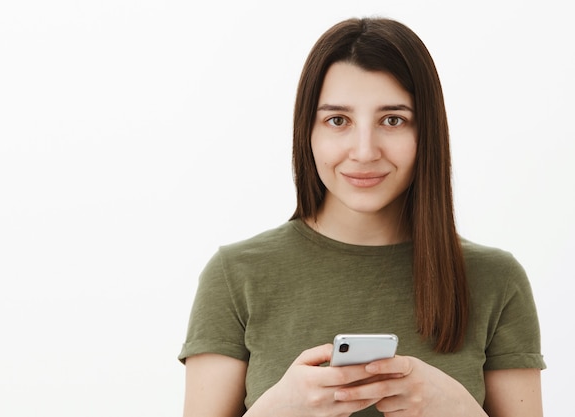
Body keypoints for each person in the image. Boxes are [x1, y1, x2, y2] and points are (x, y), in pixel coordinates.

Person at [178, 17, 545, 417]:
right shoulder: (236, 276)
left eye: (393, 120)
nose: (365, 151)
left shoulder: (496, 280)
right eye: (338, 120)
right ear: (308, 132)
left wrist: (458, 409)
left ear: (427, 132)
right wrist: (277, 410)